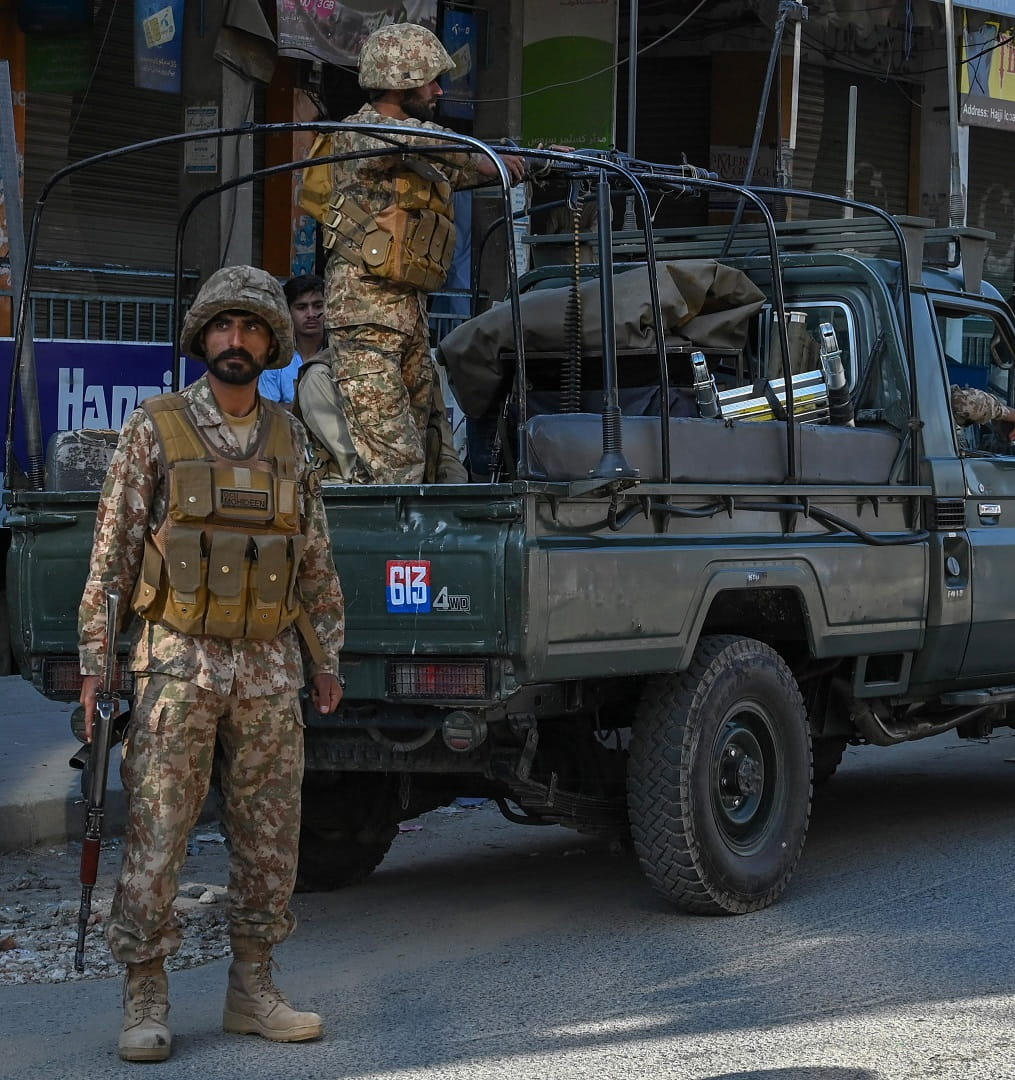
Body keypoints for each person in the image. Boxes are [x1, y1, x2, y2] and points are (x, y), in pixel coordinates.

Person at [75, 267, 347, 1061]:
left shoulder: (291, 436)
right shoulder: (155, 429)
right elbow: (113, 553)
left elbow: (316, 556)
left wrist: (326, 653)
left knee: (271, 840)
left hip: (268, 668)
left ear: (271, 341)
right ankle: (145, 995)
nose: (237, 341)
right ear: (204, 339)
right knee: (158, 835)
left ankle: (253, 987)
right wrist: (99, 660)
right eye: (223, 328)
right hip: (177, 669)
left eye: (252, 328)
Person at [320, 22, 528, 483]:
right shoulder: (360, 133)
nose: (437, 90)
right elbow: (430, 143)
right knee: (396, 462)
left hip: (407, 314)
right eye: (430, 79)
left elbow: (469, 169)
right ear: (400, 79)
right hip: (365, 315)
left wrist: (536, 161)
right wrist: (486, 152)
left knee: (425, 451)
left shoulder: (419, 149)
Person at [259, 274, 324, 404]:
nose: (311, 314)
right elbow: (268, 412)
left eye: (318, 306)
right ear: (288, 312)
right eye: (301, 307)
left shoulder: (341, 354)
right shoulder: (276, 361)